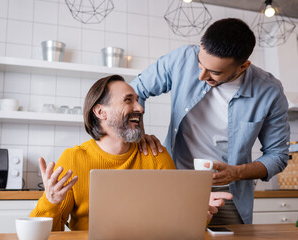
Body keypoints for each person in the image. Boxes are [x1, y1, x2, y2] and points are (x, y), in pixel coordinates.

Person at [130, 18, 290, 225]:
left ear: (243, 66)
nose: (201, 76)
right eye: (200, 64)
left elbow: (278, 156)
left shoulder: (269, 91)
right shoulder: (181, 59)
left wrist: (236, 172)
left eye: (214, 72)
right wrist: (138, 135)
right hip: (174, 182)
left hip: (227, 192)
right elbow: (134, 91)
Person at [30, 75, 232, 231]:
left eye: (138, 100)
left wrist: (196, 215)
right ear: (100, 112)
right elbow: (46, 233)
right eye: (128, 100)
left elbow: (177, 228)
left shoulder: (155, 155)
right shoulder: (74, 158)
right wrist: (51, 201)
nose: (140, 107)